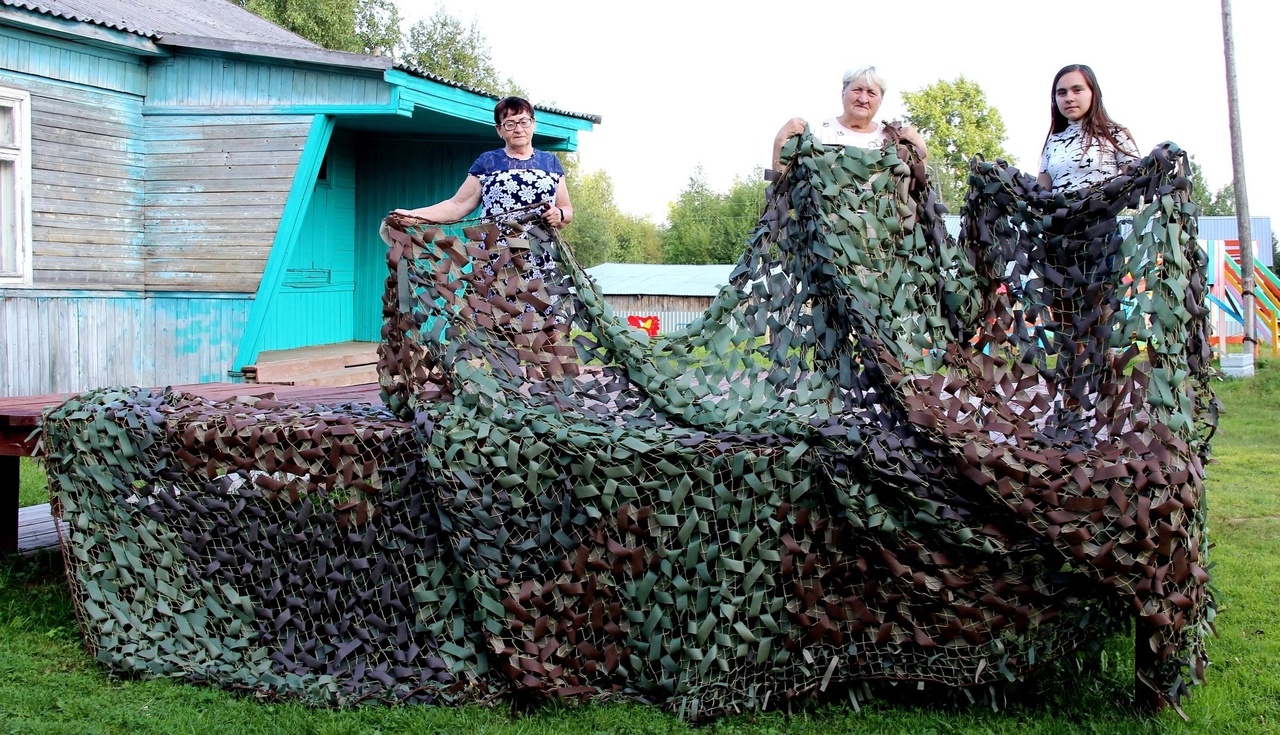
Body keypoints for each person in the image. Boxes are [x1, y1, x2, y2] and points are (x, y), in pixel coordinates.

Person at [395, 96, 573, 230]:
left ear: (533, 124)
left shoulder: (551, 163)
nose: (519, 129)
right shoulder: (488, 162)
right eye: (510, 123)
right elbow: (457, 206)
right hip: (494, 263)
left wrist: (560, 214)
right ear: (499, 130)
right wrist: (415, 215)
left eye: (524, 122)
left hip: (541, 264)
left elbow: (566, 210)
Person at [771, 65, 928, 171]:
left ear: (880, 101)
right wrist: (780, 140)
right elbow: (781, 184)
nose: (863, 99)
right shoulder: (815, 133)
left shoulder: (892, 139)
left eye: (871, 93)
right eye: (857, 90)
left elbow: (917, 190)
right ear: (843, 93)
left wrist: (921, 147)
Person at [1037, 64, 1138, 191]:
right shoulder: (1053, 141)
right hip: (1057, 211)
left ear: (1093, 93)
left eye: (1077, 90)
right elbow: (1040, 193)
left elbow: (1137, 181)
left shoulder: (1115, 133)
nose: (1069, 98)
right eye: (1062, 93)